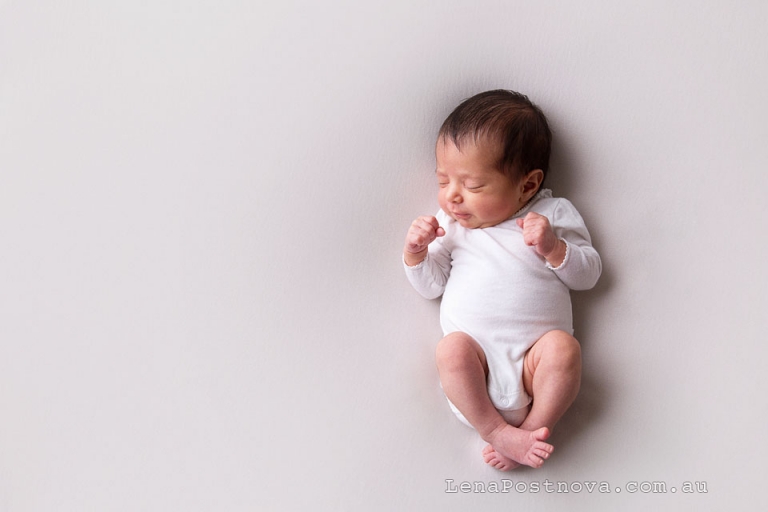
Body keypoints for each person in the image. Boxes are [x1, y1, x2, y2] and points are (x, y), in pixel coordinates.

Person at [403, 90, 601, 470]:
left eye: (473, 186)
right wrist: (416, 253)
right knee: (450, 351)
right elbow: (431, 286)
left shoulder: (552, 214)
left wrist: (554, 247)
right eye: (443, 181)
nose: (452, 198)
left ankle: (535, 429)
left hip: (534, 368)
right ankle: (498, 432)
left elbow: (589, 275)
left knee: (564, 349)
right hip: (475, 374)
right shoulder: (449, 227)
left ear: (527, 186)